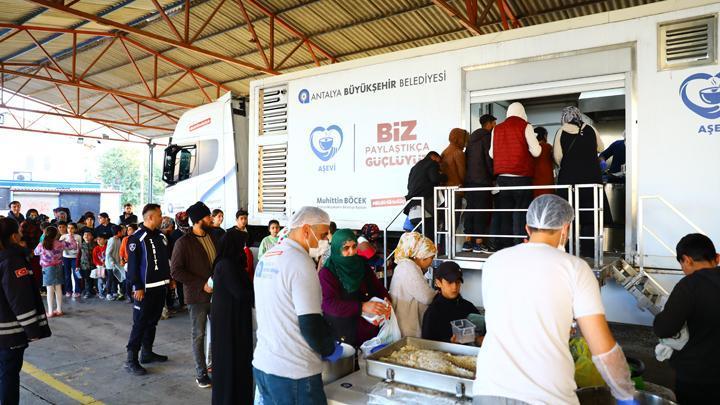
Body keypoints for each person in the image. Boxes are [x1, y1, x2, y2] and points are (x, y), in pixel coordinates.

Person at [474, 194, 635, 404]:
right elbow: (602, 348)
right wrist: (626, 393)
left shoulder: (493, 262)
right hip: (547, 396)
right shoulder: (575, 268)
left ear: (527, 228)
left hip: (488, 390)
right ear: (565, 229)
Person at [253, 206, 342, 405]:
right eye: (322, 234)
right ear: (305, 230)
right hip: (294, 373)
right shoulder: (300, 262)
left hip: (264, 364)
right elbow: (310, 323)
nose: (327, 240)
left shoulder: (269, 257)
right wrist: (329, 348)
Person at [653, 234, 720, 404]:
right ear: (717, 258)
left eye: (682, 264)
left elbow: (664, 328)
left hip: (698, 378)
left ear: (687, 260)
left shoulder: (688, 286)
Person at [0, 218, 52, 405]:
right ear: (14, 236)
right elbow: (19, 299)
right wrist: (32, 329)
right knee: (8, 375)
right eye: (20, 233)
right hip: (8, 333)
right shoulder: (12, 260)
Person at [170, 201, 218, 388]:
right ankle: (201, 374)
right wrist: (202, 285)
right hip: (197, 296)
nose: (211, 219)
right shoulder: (183, 243)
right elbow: (176, 271)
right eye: (208, 216)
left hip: (216, 295)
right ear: (198, 220)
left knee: (217, 333)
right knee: (199, 335)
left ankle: (213, 366)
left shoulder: (213, 236)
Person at [319, 229, 391, 347]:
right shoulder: (327, 273)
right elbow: (329, 305)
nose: (352, 252)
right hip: (343, 333)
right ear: (336, 248)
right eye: (346, 248)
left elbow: (378, 288)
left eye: (354, 246)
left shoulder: (361, 264)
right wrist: (362, 307)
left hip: (368, 330)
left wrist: (386, 301)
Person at [208, 229, 254, 405]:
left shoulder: (231, 263)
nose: (244, 249)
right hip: (228, 323)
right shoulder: (225, 265)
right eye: (241, 245)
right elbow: (241, 293)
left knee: (238, 362)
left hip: (234, 319)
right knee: (229, 363)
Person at [124, 204, 171, 376]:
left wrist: (169, 279)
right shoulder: (136, 238)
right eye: (159, 215)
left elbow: (165, 260)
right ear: (150, 217)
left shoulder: (160, 236)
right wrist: (137, 286)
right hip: (143, 290)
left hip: (160, 287)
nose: (162, 217)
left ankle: (147, 353)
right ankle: (131, 360)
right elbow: (133, 267)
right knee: (140, 324)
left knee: (153, 322)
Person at [553, 106, 605, 257]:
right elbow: (601, 147)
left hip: (569, 181)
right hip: (591, 180)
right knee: (590, 216)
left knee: (568, 217)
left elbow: (557, 156)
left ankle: (568, 251)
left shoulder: (561, 131)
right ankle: (589, 252)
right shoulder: (590, 129)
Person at [489, 102, 541, 248]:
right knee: (520, 210)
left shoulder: (496, 129)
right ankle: (519, 243)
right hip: (522, 176)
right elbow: (536, 152)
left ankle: (505, 244)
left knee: (505, 211)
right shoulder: (526, 126)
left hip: (502, 177)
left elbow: (491, 154)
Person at [389, 232, 437, 338]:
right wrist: (440, 293)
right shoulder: (408, 268)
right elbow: (427, 297)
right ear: (421, 256)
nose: (431, 262)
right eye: (431, 258)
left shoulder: (406, 266)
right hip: (407, 325)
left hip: (406, 321)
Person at [421, 261, 480, 343]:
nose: (454, 287)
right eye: (449, 282)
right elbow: (427, 344)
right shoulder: (433, 312)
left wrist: (478, 339)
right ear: (438, 283)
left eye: (458, 282)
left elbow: (481, 331)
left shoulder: (468, 307)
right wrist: (449, 342)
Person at [463, 114, 496, 253]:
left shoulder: (471, 138)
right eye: (494, 122)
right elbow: (488, 159)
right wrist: (493, 174)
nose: (495, 125)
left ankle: (467, 242)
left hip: (470, 181)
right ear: (489, 123)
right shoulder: (487, 137)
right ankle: (479, 243)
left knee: (471, 210)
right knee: (481, 212)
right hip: (482, 180)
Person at [34, 226, 78, 317]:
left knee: (49, 289)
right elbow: (73, 246)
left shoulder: (42, 244)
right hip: (58, 267)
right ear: (56, 234)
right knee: (58, 288)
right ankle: (59, 310)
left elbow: (35, 252)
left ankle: (50, 312)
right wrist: (71, 236)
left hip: (47, 269)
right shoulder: (60, 243)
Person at [404, 151, 447, 239]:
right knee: (430, 239)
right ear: (433, 157)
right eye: (439, 161)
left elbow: (409, 186)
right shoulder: (432, 163)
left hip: (412, 207)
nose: (440, 165)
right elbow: (435, 178)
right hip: (424, 206)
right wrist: (444, 176)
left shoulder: (414, 167)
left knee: (423, 239)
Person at [60, 223, 82, 299]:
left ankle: (77, 291)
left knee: (76, 274)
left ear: (75, 229)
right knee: (67, 275)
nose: (70, 229)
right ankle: (68, 290)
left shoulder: (78, 237)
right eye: (68, 228)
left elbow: (80, 247)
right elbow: (59, 247)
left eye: (72, 228)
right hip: (65, 257)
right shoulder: (63, 236)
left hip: (75, 258)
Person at [532, 126, 555, 198]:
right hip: (547, 181)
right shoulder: (548, 147)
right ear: (544, 136)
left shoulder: (531, 148)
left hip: (534, 182)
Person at [105, 225, 124, 301]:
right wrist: (112, 262)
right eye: (122, 231)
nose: (123, 232)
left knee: (116, 278)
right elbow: (108, 253)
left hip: (117, 264)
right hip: (110, 265)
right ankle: (108, 293)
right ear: (118, 232)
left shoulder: (119, 240)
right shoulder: (112, 240)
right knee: (110, 279)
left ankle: (114, 292)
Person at [78, 229, 97, 299]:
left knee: (93, 279)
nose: (86, 236)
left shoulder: (95, 245)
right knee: (86, 279)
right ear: (83, 237)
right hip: (84, 265)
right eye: (85, 235)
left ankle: (91, 290)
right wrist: (77, 265)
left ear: (92, 237)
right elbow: (78, 256)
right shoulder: (81, 245)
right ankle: (87, 291)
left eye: (88, 235)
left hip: (93, 265)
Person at [92, 233, 108, 300]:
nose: (98, 241)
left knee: (108, 280)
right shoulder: (96, 248)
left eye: (100, 239)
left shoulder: (107, 247)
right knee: (100, 280)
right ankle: (101, 293)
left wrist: (105, 263)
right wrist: (100, 264)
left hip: (108, 266)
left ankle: (107, 292)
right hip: (99, 267)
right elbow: (94, 259)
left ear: (105, 240)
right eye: (97, 239)